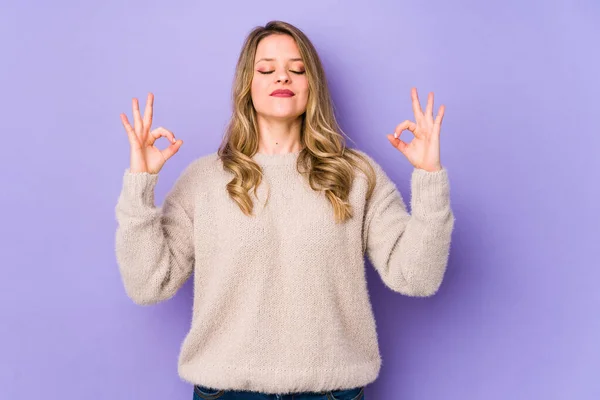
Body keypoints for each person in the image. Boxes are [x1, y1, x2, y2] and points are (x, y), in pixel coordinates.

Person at [115, 20, 455, 400]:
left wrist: (428, 178)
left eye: (297, 69)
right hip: (227, 393)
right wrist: (139, 184)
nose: (283, 77)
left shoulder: (356, 175)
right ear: (248, 83)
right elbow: (147, 285)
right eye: (266, 68)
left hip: (330, 393)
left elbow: (417, 278)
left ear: (313, 85)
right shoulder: (203, 180)